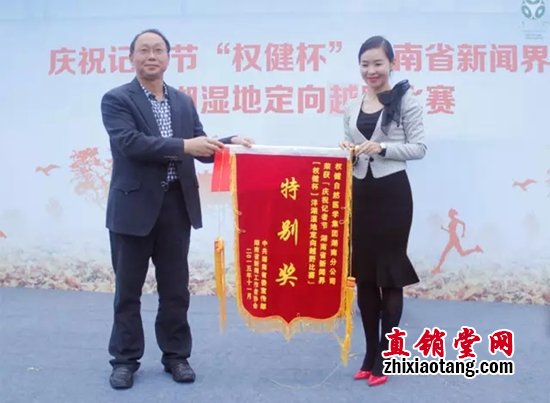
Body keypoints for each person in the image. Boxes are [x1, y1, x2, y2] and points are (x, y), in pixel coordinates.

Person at [101, 28, 252, 389]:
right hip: (133, 208)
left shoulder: (183, 101)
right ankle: (125, 360)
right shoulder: (116, 99)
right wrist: (186, 146)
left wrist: (229, 144)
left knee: (175, 289)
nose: (151, 56)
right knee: (128, 291)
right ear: (131, 58)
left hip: (176, 207)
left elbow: (199, 145)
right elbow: (131, 144)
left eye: (158, 50)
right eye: (143, 50)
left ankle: (176, 356)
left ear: (168, 58)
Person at [340, 36, 426, 387]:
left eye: (378, 63)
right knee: (364, 275)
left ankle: (386, 356)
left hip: (392, 195)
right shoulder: (351, 105)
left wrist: (383, 148)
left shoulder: (407, 101)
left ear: (392, 63)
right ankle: (369, 352)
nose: (371, 70)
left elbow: (419, 147)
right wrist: (348, 151)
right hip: (360, 194)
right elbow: (350, 147)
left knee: (389, 274)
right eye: (365, 64)